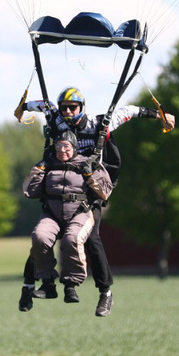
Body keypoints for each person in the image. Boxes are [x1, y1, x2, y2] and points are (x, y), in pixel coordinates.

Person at [15, 86, 176, 317]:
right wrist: (21, 108)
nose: (68, 112)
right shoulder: (55, 117)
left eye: (73, 107)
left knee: (92, 239)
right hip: (58, 187)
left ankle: (105, 293)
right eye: (65, 108)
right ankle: (30, 286)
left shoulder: (99, 123)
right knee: (42, 238)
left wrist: (159, 115)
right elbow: (40, 105)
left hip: (89, 191)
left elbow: (128, 111)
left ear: (82, 107)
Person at [22, 129, 113, 312]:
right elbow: (29, 191)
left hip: (79, 212)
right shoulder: (48, 164)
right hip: (52, 213)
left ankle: (71, 285)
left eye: (66, 146)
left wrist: (90, 176)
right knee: (39, 236)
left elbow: (104, 192)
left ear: (75, 148)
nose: (62, 150)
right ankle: (47, 283)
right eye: (59, 146)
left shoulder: (89, 164)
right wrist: (38, 171)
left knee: (71, 239)